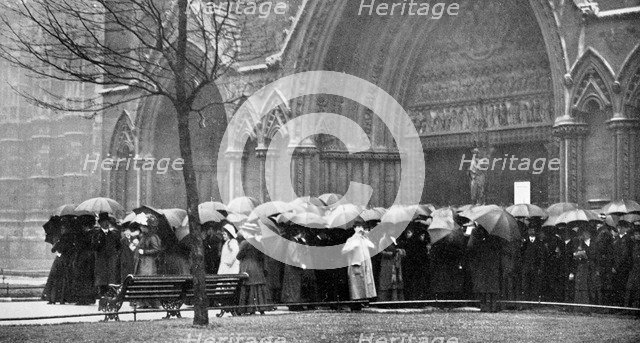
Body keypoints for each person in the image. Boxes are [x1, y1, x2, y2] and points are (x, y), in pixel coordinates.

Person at [466, 223, 502, 312]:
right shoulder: (497, 231)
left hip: (481, 261)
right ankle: (493, 306)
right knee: (493, 284)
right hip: (493, 261)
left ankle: (484, 306)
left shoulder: (476, 231)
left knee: (482, 284)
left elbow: (470, 246)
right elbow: (500, 246)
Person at [236, 232, 272, 315]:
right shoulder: (259, 242)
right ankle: (261, 308)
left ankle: (250, 308)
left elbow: (238, 256)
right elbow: (262, 256)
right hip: (258, 268)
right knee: (258, 288)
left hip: (247, 267)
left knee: (248, 288)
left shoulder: (245, 243)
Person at [342, 222, 377, 305]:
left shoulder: (364, 239)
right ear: (354, 228)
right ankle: (357, 301)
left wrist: (366, 237)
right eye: (358, 227)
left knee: (366, 281)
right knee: (356, 283)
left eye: (361, 227)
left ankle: (365, 300)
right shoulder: (351, 240)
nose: (360, 228)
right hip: (356, 264)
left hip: (365, 263)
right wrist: (352, 246)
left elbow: (373, 246)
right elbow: (344, 251)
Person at [133, 213, 162, 308]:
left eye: (143, 226)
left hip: (148, 263)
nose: (141, 228)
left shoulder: (152, 237)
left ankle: (150, 302)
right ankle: (144, 302)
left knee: (148, 282)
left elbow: (157, 249)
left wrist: (144, 251)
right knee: (143, 282)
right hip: (143, 263)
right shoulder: (144, 236)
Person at [94, 212, 121, 297]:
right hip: (101, 259)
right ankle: (102, 294)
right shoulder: (97, 234)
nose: (106, 224)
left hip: (111, 258)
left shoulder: (113, 234)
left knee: (111, 277)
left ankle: (110, 294)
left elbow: (118, 246)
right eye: (104, 222)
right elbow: (94, 246)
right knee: (102, 278)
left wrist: (115, 254)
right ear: (100, 223)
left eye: (107, 222)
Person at [571, 227, 599, 306]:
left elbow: (596, 255)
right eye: (583, 233)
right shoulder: (580, 243)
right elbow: (575, 255)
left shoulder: (594, 243)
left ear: (589, 234)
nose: (584, 234)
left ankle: (592, 305)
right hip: (583, 267)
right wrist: (579, 252)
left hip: (592, 267)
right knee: (582, 287)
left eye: (586, 232)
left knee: (592, 286)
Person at [378, 233, 406, 301]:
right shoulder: (383, 239)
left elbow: (404, 251)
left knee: (396, 282)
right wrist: (390, 254)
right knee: (386, 281)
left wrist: (400, 251)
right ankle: (384, 300)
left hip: (396, 264)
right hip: (387, 263)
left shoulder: (397, 239)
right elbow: (380, 251)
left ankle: (396, 299)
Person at [520, 226, 545, 302]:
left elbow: (541, 257)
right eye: (530, 230)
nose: (531, 231)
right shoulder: (525, 243)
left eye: (533, 230)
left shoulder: (539, 243)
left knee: (534, 285)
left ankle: (533, 301)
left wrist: (540, 268)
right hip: (526, 267)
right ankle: (526, 301)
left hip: (535, 267)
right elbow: (521, 255)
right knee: (525, 285)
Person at [612, 221, 633, 306]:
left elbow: (624, 255)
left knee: (622, 287)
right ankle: (617, 305)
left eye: (620, 227)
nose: (619, 229)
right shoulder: (616, 239)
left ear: (624, 228)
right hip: (615, 267)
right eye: (618, 227)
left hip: (623, 268)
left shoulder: (627, 239)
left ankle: (621, 305)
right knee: (616, 287)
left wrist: (616, 267)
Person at [624, 227, 640, 308]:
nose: (637, 236)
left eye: (638, 234)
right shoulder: (633, 244)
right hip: (633, 269)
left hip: (638, 270)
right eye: (636, 234)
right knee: (629, 288)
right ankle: (627, 307)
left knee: (637, 289)